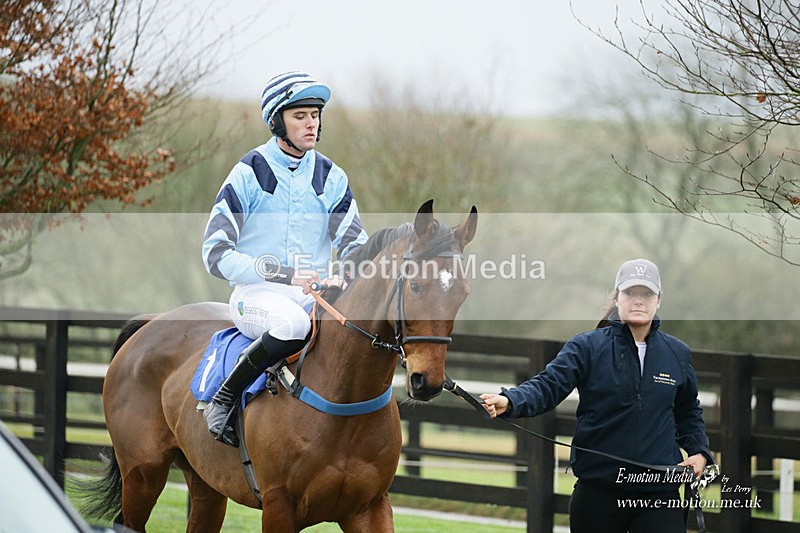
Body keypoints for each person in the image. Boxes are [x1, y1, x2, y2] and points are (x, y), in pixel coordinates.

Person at [481, 258, 714, 533]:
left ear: (658, 301)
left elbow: (688, 412)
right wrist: (511, 400)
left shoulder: (678, 354)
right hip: (599, 493)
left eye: (647, 294)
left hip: (659, 494)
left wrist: (700, 453)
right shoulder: (586, 347)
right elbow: (548, 384)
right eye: (630, 293)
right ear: (617, 297)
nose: (639, 301)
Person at [200, 71, 368, 447]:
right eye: (301, 116)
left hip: (316, 296)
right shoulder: (248, 172)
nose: (312, 124)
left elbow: (357, 245)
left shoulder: (332, 176)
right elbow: (215, 253)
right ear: (278, 120)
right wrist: (286, 274)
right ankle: (224, 398)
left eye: (315, 115)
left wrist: (346, 272)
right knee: (292, 324)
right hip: (255, 296)